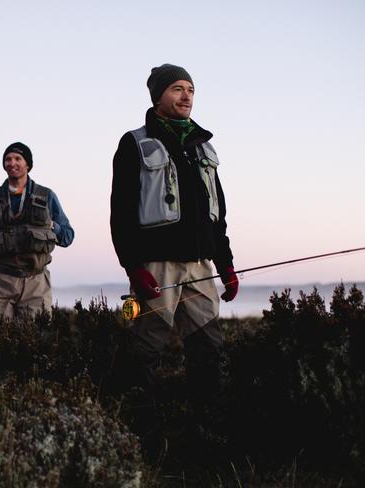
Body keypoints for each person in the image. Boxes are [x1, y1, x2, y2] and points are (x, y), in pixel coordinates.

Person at [110, 64, 239, 397]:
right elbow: (121, 212)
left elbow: (218, 213)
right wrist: (134, 267)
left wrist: (226, 265)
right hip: (157, 267)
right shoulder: (134, 143)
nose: (186, 96)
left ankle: (204, 415)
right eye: (177, 89)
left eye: (191, 90)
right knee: (147, 344)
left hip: (201, 265)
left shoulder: (203, 148)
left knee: (209, 344)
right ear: (158, 97)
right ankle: (139, 417)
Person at [0, 142, 74, 320]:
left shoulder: (47, 196)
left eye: (18, 158)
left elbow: (68, 237)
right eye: (8, 159)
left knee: (37, 341)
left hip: (36, 282)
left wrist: (52, 225)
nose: (12, 163)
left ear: (28, 164)